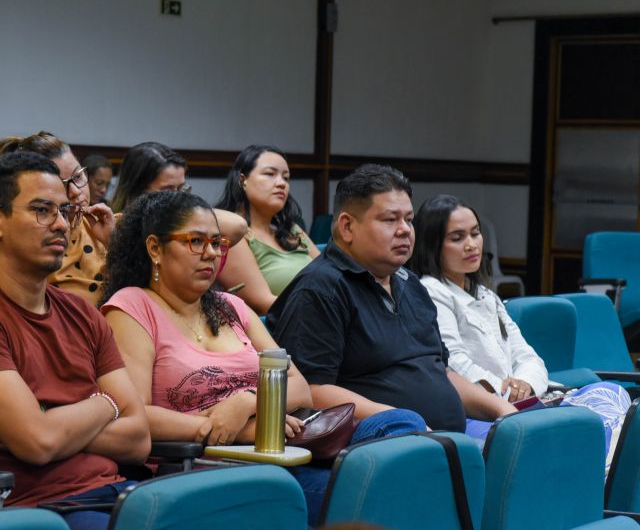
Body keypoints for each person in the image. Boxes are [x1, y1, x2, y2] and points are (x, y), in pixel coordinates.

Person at [101, 190, 426, 526]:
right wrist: (234, 431)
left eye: (217, 244)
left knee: (404, 425)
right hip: (212, 465)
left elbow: (300, 388)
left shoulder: (231, 307)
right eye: (196, 241)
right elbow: (134, 415)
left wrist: (249, 403)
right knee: (381, 492)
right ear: (155, 248)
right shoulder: (132, 307)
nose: (211, 254)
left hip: (287, 447)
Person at [0, 152, 150, 530]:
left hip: (118, 493)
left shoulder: (83, 314)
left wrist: (55, 419)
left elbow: (139, 439)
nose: (61, 224)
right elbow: (37, 443)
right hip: (40, 511)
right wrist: (107, 405)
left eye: (65, 212)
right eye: (42, 211)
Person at [268, 164, 518, 436]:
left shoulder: (410, 283)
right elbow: (310, 391)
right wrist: (400, 420)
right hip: (381, 447)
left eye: (408, 220)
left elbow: (440, 373)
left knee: (528, 434)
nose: (405, 231)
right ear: (347, 227)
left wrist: (500, 408)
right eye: (390, 220)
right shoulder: (320, 288)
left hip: (444, 438)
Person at [410, 194, 629, 456]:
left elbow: (527, 355)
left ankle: (600, 464)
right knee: (563, 433)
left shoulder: (485, 295)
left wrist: (524, 384)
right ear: (433, 245)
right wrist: (506, 393)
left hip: (521, 404)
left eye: (475, 234)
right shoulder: (431, 291)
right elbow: (453, 363)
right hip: (481, 413)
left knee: (610, 392)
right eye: (457, 238)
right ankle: (599, 467)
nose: (471, 245)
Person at [0, 131, 114, 306]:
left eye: (78, 176)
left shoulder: (109, 224)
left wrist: (115, 243)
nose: (76, 191)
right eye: (62, 184)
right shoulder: (12, 242)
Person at [215, 145, 320, 314]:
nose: (281, 184)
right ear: (243, 180)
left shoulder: (291, 229)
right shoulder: (233, 234)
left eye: (286, 178)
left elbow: (332, 277)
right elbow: (264, 304)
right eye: (270, 174)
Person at [109, 141, 247, 246]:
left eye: (181, 189)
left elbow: (238, 226)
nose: (178, 199)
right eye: (168, 191)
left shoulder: (180, 222)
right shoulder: (113, 227)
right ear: (138, 191)